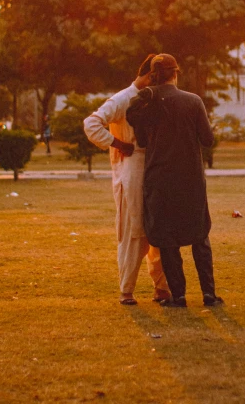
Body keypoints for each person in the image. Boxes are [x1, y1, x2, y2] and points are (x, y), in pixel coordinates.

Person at [126, 53, 223, 309]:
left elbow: (143, 140)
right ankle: (209, 294)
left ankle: (178, 296)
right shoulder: (192, 101)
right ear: (176, 73)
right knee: (200, 236)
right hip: (190, 179)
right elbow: (207, 139)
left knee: (168, 240)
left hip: (159, 179)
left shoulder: (148, 102)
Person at [83, 55, 170, 306]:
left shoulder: (155, 97)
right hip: (131, 167)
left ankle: (161, 287)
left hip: (153, 167)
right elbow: (92, 123)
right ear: (146, 75)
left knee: (157, 228)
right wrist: (117, 143)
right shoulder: (123, 98)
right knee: (133, 229)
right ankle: (127, 289)